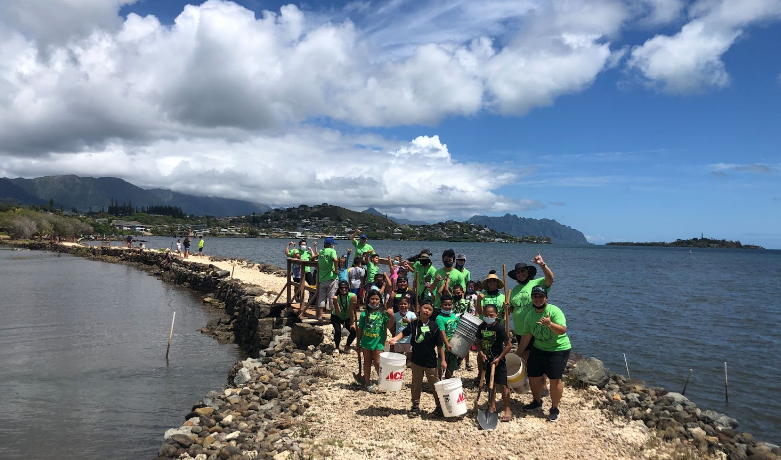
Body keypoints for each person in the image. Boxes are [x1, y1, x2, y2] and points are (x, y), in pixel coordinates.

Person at [516, 286, 570, 423]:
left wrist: (550, 324)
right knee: (533, 377)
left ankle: (555, 408)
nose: (538, 299)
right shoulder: (530, 315)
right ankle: (537, 401)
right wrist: (518, 353)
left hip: (558, 349)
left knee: (555, 379)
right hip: (538, 348)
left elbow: (562, 330)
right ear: (532, 298)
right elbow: (527, 336)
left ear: (546, 298)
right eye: (535, 296)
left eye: (541, 296)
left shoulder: (554, 311)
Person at [389, 300, 445, 418]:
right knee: (416, 384)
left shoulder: (434, 326)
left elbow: (440, 346)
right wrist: (395, 339)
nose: (426, 311)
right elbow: (404, 333)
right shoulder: (414, 324)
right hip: (416, 360)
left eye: (429, 309)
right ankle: (415, 405)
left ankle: (439, 406)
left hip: (431, 361)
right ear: (420, 308)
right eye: (425, 308)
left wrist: (443, 360)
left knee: (435, 384)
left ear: (432, 312)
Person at [508, 253, 554, 393]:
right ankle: (527, 381)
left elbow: (550, 279)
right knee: (526, 356)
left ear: (528, 272)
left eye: (523, 271)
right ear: (515, 275)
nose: (521, 274)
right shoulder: (514, 290)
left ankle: (543, 385)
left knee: (539, 355)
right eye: (518, 272)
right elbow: (511, 308)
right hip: (521, 329)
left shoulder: (537, 283)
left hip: (536, 327)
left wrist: (542, 264)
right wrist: (507, 308)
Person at [477, 304, 513, 423]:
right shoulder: (481, 327)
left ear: (496, 315)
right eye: (486, 315)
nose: (488, 317)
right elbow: (477, 342)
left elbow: (508, 345)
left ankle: (507, 409)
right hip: (487, 360)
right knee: (490, 385)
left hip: (499, 360)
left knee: (503, 385)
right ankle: (492, 406)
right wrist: (481, 353)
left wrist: (499, 358)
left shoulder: (499, 328)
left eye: (491, 315)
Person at [356, 290, 393, 391]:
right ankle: (367, 382)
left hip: (378, 342)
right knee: (367, 361)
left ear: (380, 301)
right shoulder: (364, 314)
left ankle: (382, 381)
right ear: (368, 300)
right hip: (366, 341)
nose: (374, 301)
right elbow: (360, 329)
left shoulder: (383, 313)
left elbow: (389, 325)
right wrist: (357, 342)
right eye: (372, 299)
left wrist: (392, 316)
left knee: (377, 362)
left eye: (377, 299)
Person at [431, 249, 466, 316]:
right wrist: (435, 281)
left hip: (452, 307)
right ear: (442, 260)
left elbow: (462, 292)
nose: (448, 262)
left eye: (450, 260)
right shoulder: (437, 273)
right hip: (438, 306)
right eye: (446, 260)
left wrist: (462, 305)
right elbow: (431, 289)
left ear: (453, 261)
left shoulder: (459, 274)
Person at [315, 237, 340, 323]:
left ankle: (320, 316)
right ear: (331, 245)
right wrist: (336, 270)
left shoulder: (321, 251)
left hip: (322, 278)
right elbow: (336, 260)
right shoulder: (332, 251)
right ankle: (334, 316)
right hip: (331, 277)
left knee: (322, 298)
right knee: (332, 297)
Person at [436, 294, 461, 379]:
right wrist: (446, 343)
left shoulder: (454, 316)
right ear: (441, 306)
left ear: (452, 305)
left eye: (449, 305)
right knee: (441, 364)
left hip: (454, 345)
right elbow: (442, 331)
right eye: (445, 305)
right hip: (443, 345)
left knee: (451, 365)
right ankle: (438, 381)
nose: (447, 307)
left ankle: (448, 380)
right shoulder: (439, 318)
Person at [331, 280, 357, 354]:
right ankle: (336, 347)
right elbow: (338, 312)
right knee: (338, 331)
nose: (344, 289)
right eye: (342, 288)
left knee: (354, 331)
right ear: (339, 289)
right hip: (336, 316)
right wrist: (335, 302)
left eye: (345, 288)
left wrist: (352, 323)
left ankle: (347, 346)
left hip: (347, 316)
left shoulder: (352, 296)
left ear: (348, 288)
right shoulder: (336, 297)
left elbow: (352, 310)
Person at [392, 296, 417, 366]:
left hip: (409, 340)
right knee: (399, 355)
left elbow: (416, 325)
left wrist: (409, 322)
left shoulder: (412, 314)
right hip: (399, 340)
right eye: (401, 304)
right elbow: (393, 325)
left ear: (408, 305)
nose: (403, 306)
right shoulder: (396, 315)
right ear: (398, 305)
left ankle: (410, 364)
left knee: (410, 354)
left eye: (405, 304)